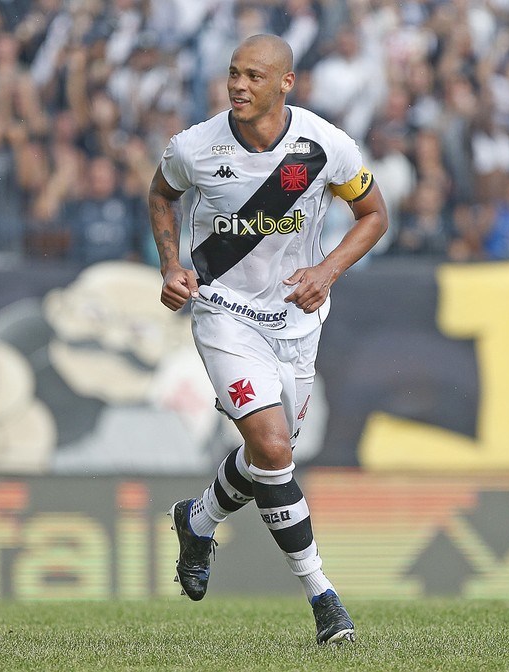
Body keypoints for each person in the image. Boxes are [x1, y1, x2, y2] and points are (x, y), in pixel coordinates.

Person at [147, 33, 388, 645]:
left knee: (268, 458)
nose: (238, 85)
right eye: (234, 73)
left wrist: (326, 271)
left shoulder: (324, 146)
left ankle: (198, 520)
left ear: (286, 84)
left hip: (297, 321)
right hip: (224, 314)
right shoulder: (195, 147)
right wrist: (171, 265)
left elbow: (374, 216)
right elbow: (161, 195)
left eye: (254, 76)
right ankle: (323, 597)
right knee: (274, 448)